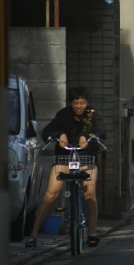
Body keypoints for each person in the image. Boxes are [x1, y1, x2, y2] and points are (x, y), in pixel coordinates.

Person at [25, 87, 106, 248]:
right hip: (64, 157)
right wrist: (59, 134)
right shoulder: (63, 114)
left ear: (87, 103)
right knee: (51, 194)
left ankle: (92, 233)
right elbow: (48, 130)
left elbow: (101, 132)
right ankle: (33, 235)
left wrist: (88, 136)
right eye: (76, 103)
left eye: (83, 103)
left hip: (87, 158)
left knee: (90, 194)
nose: (79, 106)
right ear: (71, 103)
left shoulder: (93, 115)